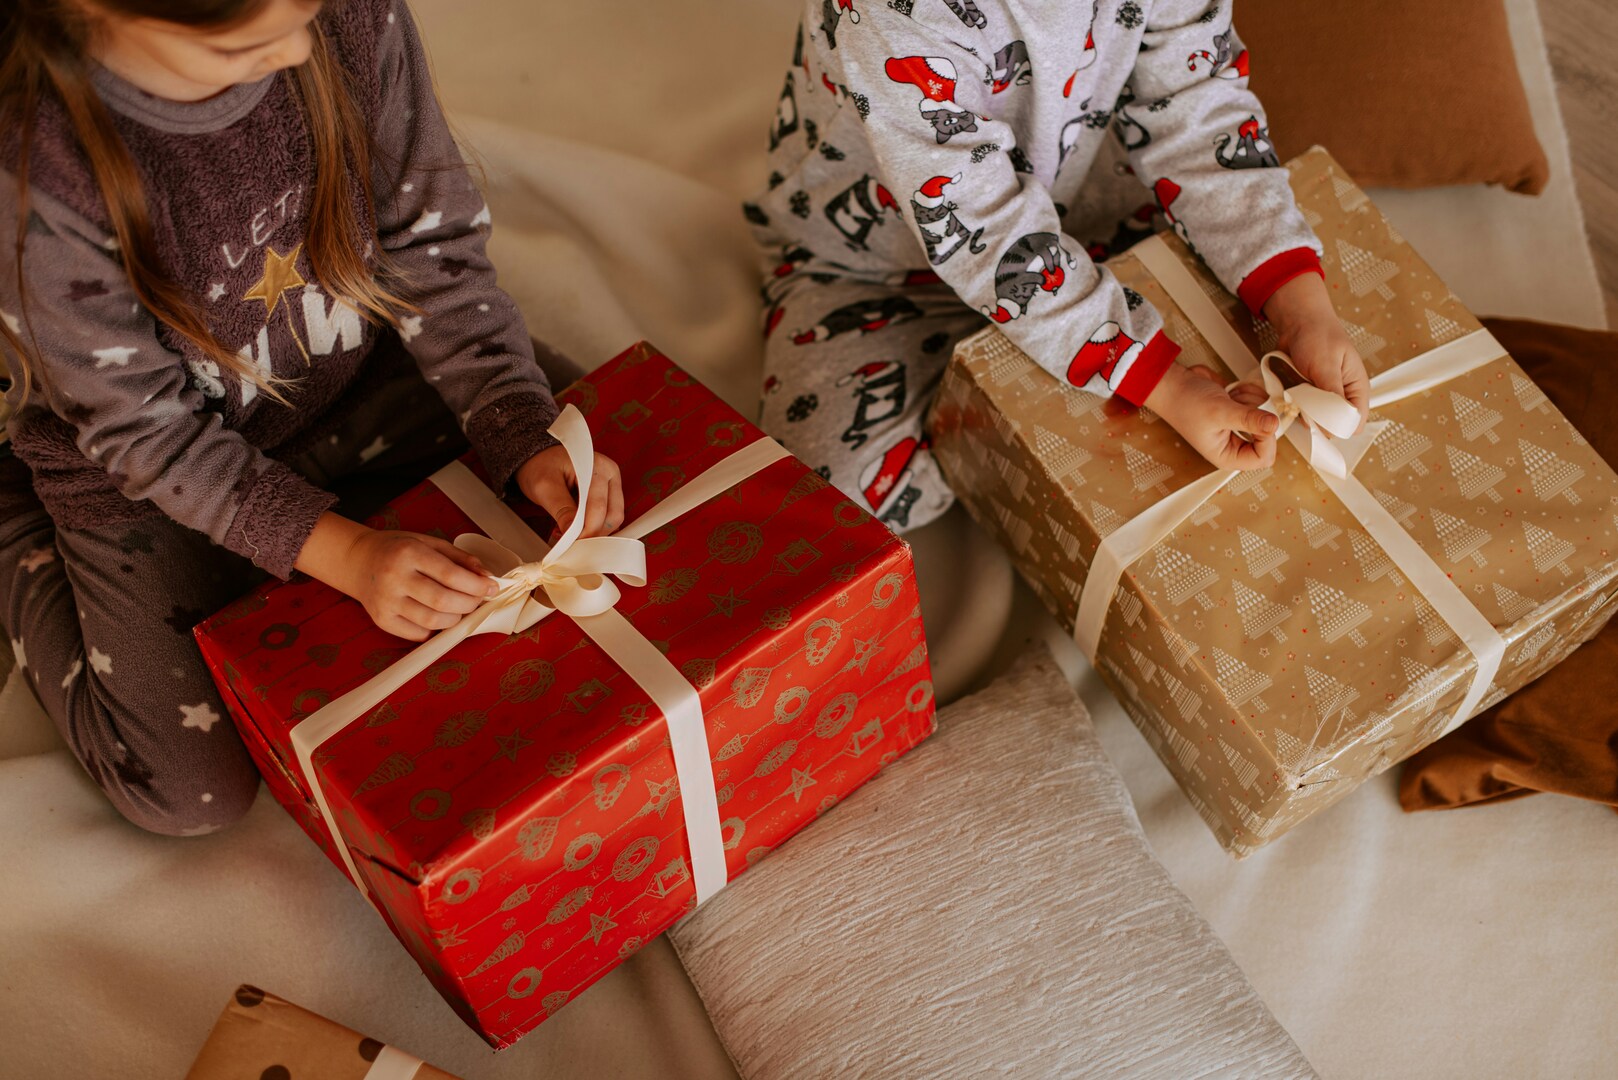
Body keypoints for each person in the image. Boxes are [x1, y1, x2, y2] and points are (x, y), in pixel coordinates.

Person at [0, 0, 622, 835]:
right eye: (247, 45)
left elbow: (433, 248)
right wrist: (348, 555)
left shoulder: (349, 16)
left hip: (366, 376)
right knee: (191, 796)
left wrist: (515, 419)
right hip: (143, 473)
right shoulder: (34, 172)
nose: (300, 50)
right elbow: (146, 434)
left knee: (619, 449)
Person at [749, 0, 1370, 531]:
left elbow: (1197, 103)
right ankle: (1021, 414)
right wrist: (1166, 386)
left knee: (1183, 382)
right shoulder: (891, 14)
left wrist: (1300, 307)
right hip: (876, 271)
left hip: (1094, 214)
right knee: (824, 507)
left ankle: (1055, 383)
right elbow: (985, 230)